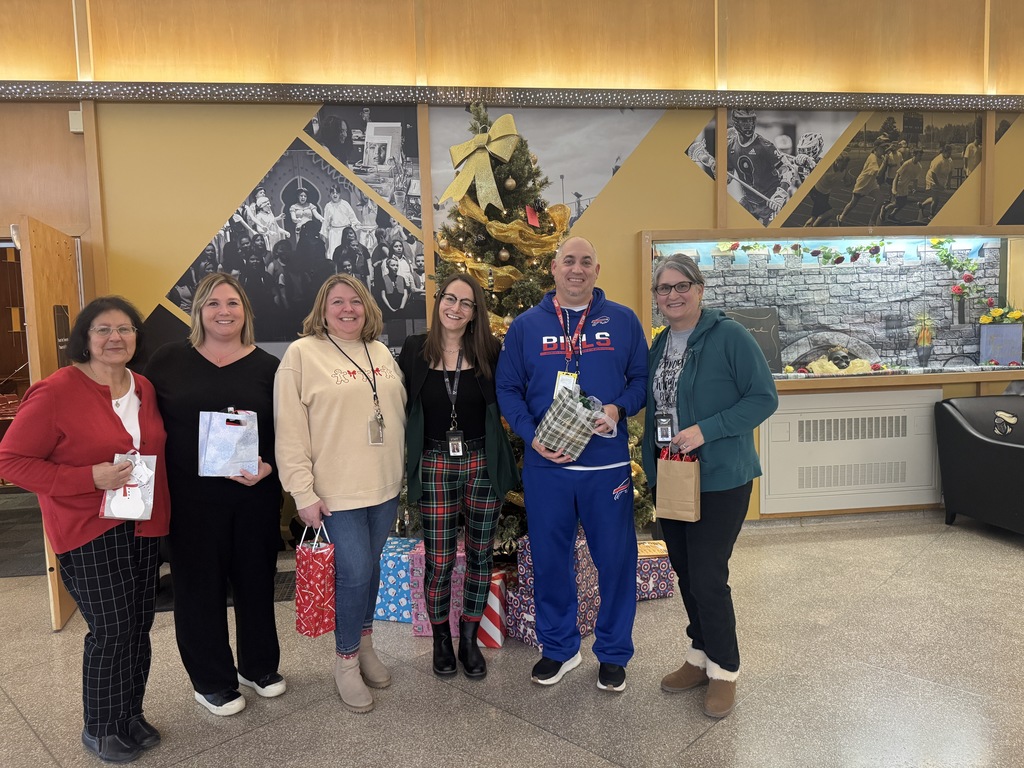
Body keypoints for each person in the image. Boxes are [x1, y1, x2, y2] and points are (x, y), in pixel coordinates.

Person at [0, 297, 170, 763]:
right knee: (111, 628)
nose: (116, 337)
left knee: (139, 624)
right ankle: (100, 727)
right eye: (103, 329)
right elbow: (10, 460)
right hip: (87, 526)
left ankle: (129, 714)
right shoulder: (56, 391)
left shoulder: (144, 388)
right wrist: (86, 478)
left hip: (141, 523)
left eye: (125, 328)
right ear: (85, 338)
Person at [496, 235, 648, 692]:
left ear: (597, 271)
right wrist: (532, 435)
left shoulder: (621, 320)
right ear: (554, 269)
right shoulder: (526, 326)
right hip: (549, 468)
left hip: (606, 468)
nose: (576, 269)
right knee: (548, 560)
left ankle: (613, 653)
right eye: (568, 261)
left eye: (586, 261)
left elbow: (640, 380)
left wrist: (618, 409)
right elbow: (507, 389)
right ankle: (560, 648)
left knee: (617, 561)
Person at [641, 254, 778, 719]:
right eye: (664, 289)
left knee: (707, 576)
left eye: (682, 286)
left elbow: (764, 397)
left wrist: (708, 428)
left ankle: (725, 670)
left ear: (699, 289)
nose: (673, 295)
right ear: (656, 297)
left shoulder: (730, 336)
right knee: (683, 569)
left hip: (721, 477)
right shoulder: (659, 346)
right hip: (672, 474)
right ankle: (699, 655)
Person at [146, 273, 284, 718]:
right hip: (190, 501)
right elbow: (144, 421)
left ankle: (259, 667)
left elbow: (290, 433)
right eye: (213, 303)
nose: (223, 311)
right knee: (198, 588)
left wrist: (270, 464)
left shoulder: (269, 366)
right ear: (198, 311)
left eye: (233, 304)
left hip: (254, 498)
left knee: (256, 581)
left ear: (246, 312)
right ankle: (211, 681)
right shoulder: (168, 360)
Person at [274, 273, 407, 713]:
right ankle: (346, 659)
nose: (348, 309)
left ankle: (366, 643)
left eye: (355, 301)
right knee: (352, 573)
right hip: (335, 493)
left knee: (370, 571)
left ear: (368, 307)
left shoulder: (381, 351)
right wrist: (302, 492)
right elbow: (289, 432)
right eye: (337, 302)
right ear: (322, 309)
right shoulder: (301, 354)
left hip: (384, 487)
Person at [398, 274, 519, 679]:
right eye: (450, 298)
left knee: (481, 555)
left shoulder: (490, 351)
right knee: (441, 558)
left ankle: (468, 640)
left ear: (475, 312)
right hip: (434, 461)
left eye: (466, 303)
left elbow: (516, 393)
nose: (456, 307)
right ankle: (441, 641)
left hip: (481, 461)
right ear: (438, 302)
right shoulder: (415, 350)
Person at [725, 109, 793, 224]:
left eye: (750, 120)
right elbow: (728, 177)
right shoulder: (730, 147)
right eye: (744, 121)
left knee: (773, 236)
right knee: (732, 226)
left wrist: (780, 194)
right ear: (736, 122)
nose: (748, 125)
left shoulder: (765, 146)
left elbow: (787, 170)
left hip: (770, 202)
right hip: (749, 202)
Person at [837, 139, 889, 225]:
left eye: (885, 148)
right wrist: (885, 162)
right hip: (863, 183)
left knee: (880, 200)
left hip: (871, 183)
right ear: (876, 148)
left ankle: (871, 222)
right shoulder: (873, 158)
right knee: (853, 203)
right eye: (882, 148)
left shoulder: (880, 156)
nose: (884, 150)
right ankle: (841, 217)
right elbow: (879, 174)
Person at [321, 185, 361, 259]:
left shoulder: (345, 204)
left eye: (337, 193)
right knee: (334, 252)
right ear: (330, 194)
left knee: (346, 252)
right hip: (334, 233)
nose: (335, 195)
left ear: (339, 194)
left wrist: (352, 228)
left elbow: (353, 218)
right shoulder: (328, 206)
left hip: (345, 232)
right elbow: (326, 222)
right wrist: (324, 235)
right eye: (333, 193)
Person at [920, 145, 954, 221]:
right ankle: (931, 215)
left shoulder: (950, 160)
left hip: (941, 179)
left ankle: (922, 205)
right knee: (936, 199)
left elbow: (951, 171)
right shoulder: (938, 160)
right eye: (948, 153)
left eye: (950, 153)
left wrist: (949, 182)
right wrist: (938, 184)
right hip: (932, 179)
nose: (949, 155)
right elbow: (933, 174)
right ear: (944, 152)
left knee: (935, 198)